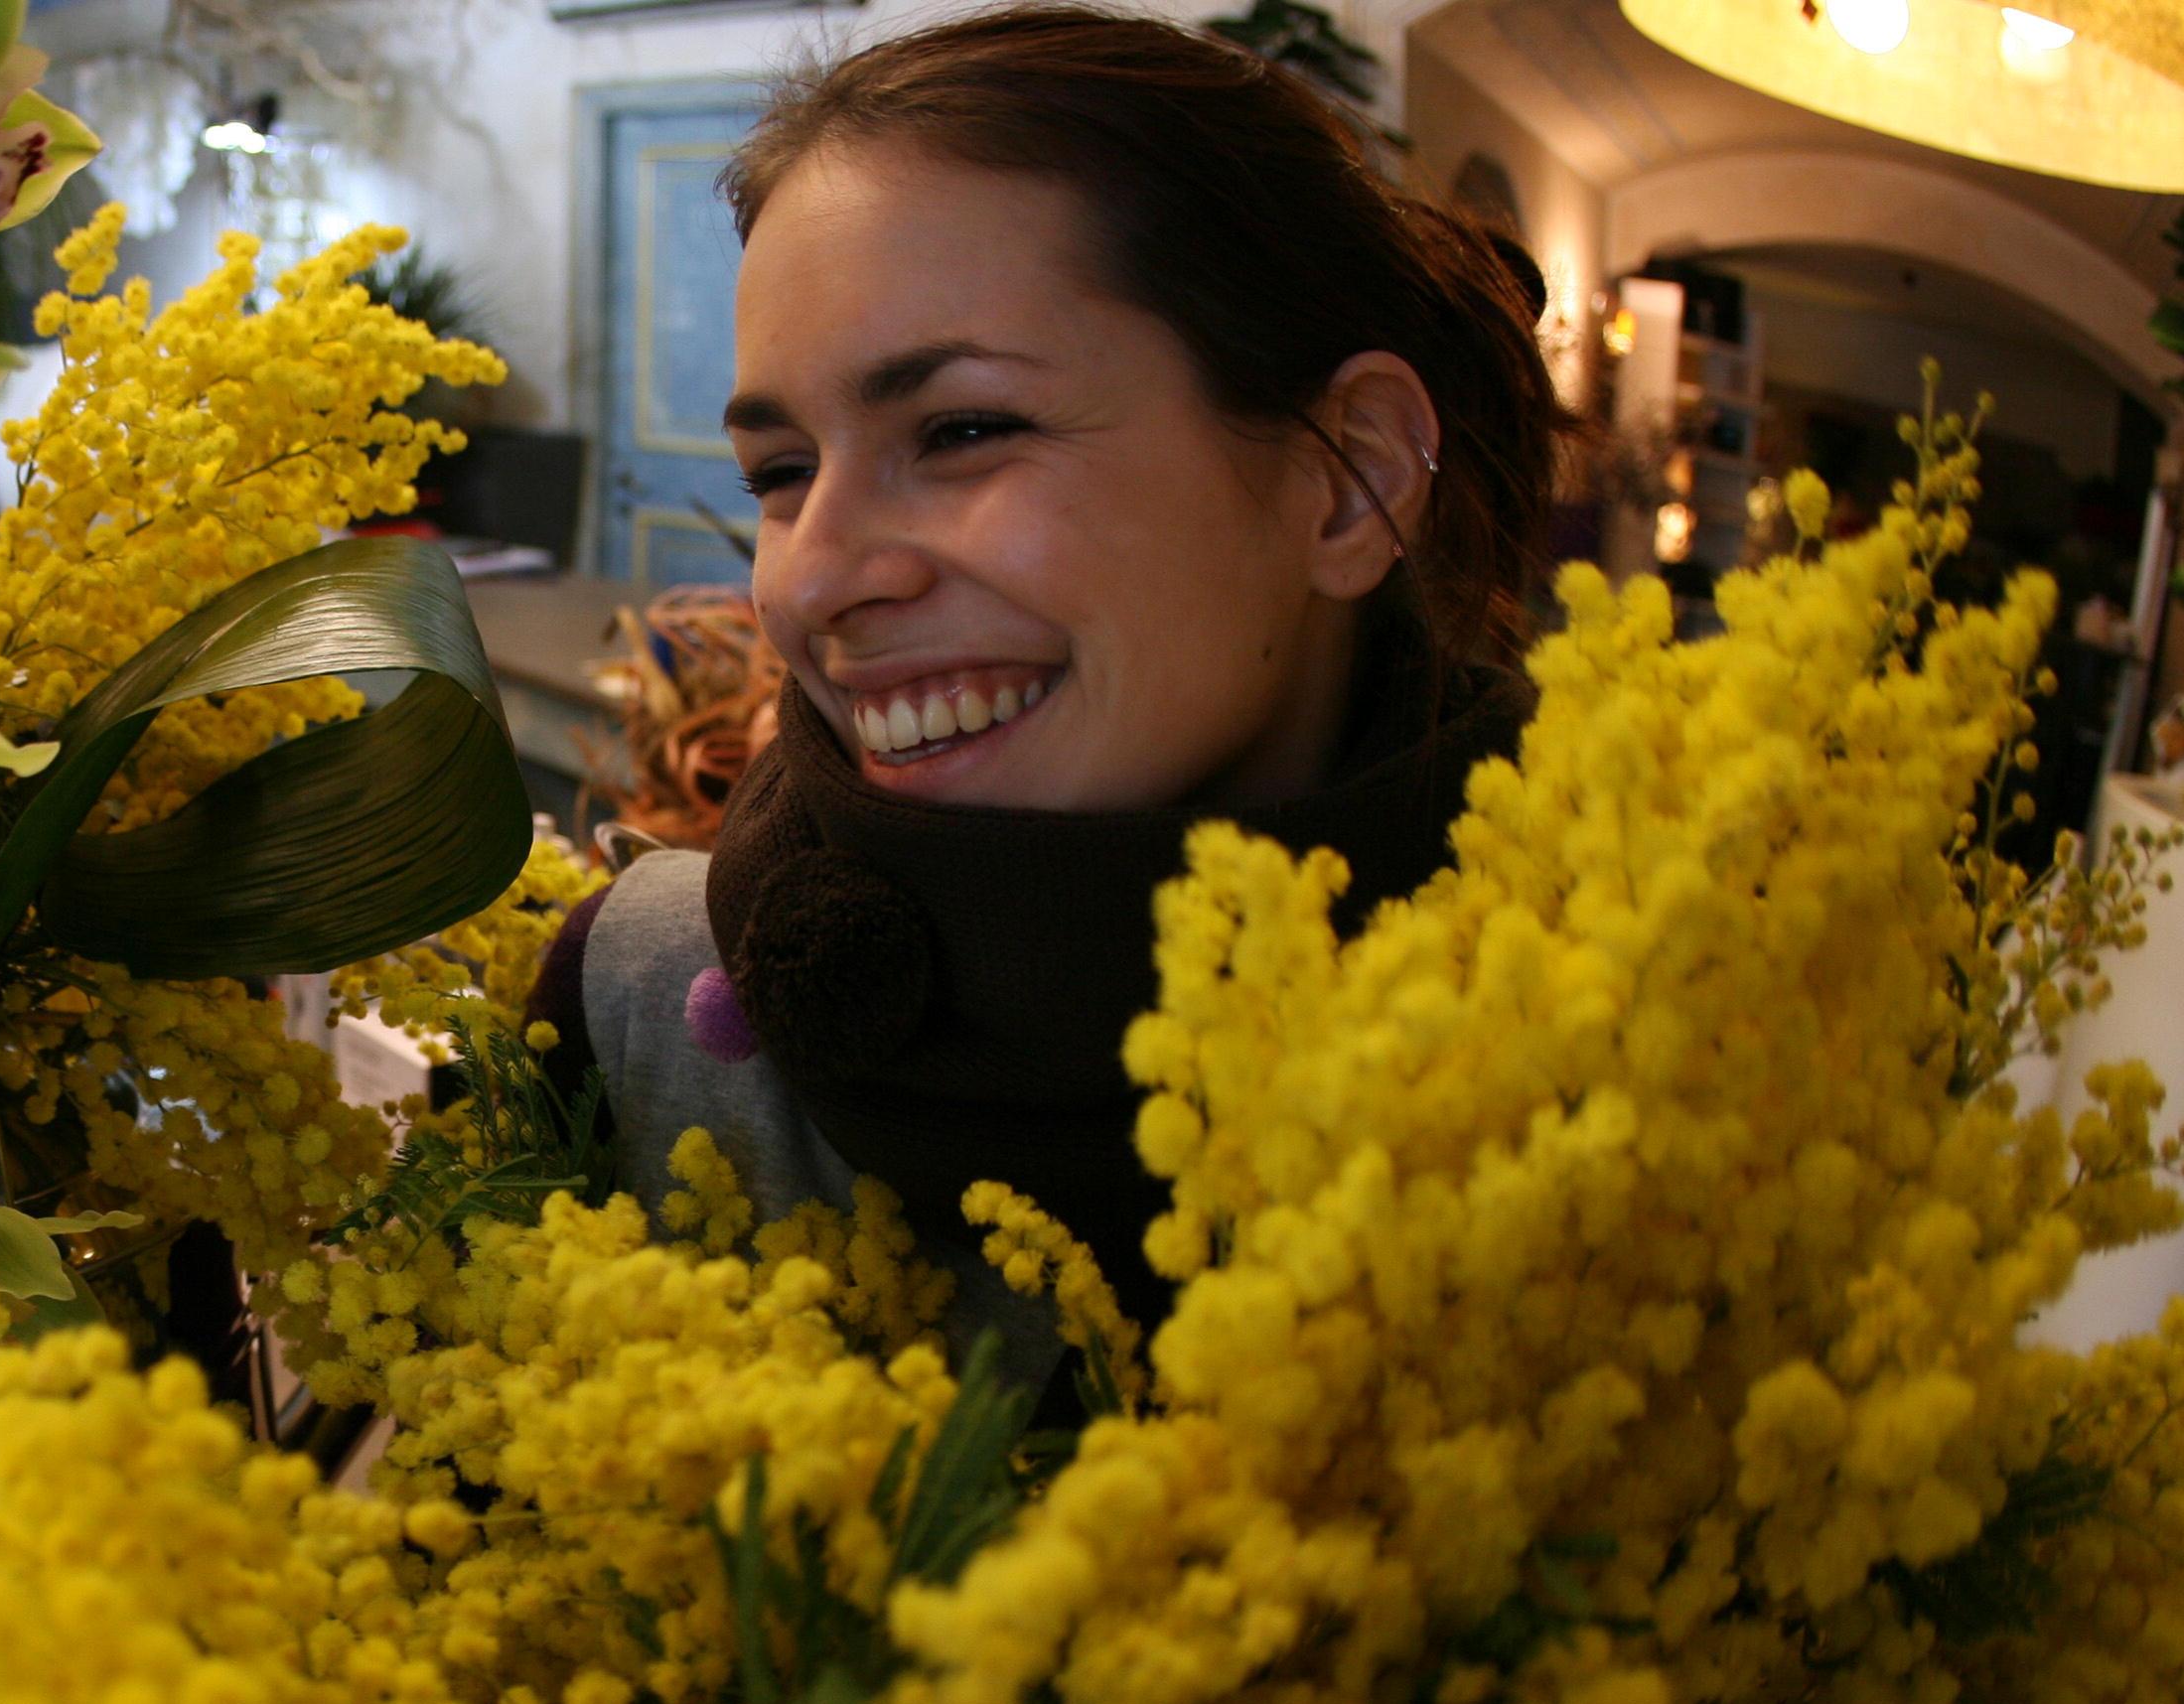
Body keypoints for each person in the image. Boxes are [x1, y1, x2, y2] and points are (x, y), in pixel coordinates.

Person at [529, 2, 1577, 1382]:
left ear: (1353, 477)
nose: (817, 577)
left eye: (963, 430)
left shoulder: (1647, 1079)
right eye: (782, 472)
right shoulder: (635, 1009)